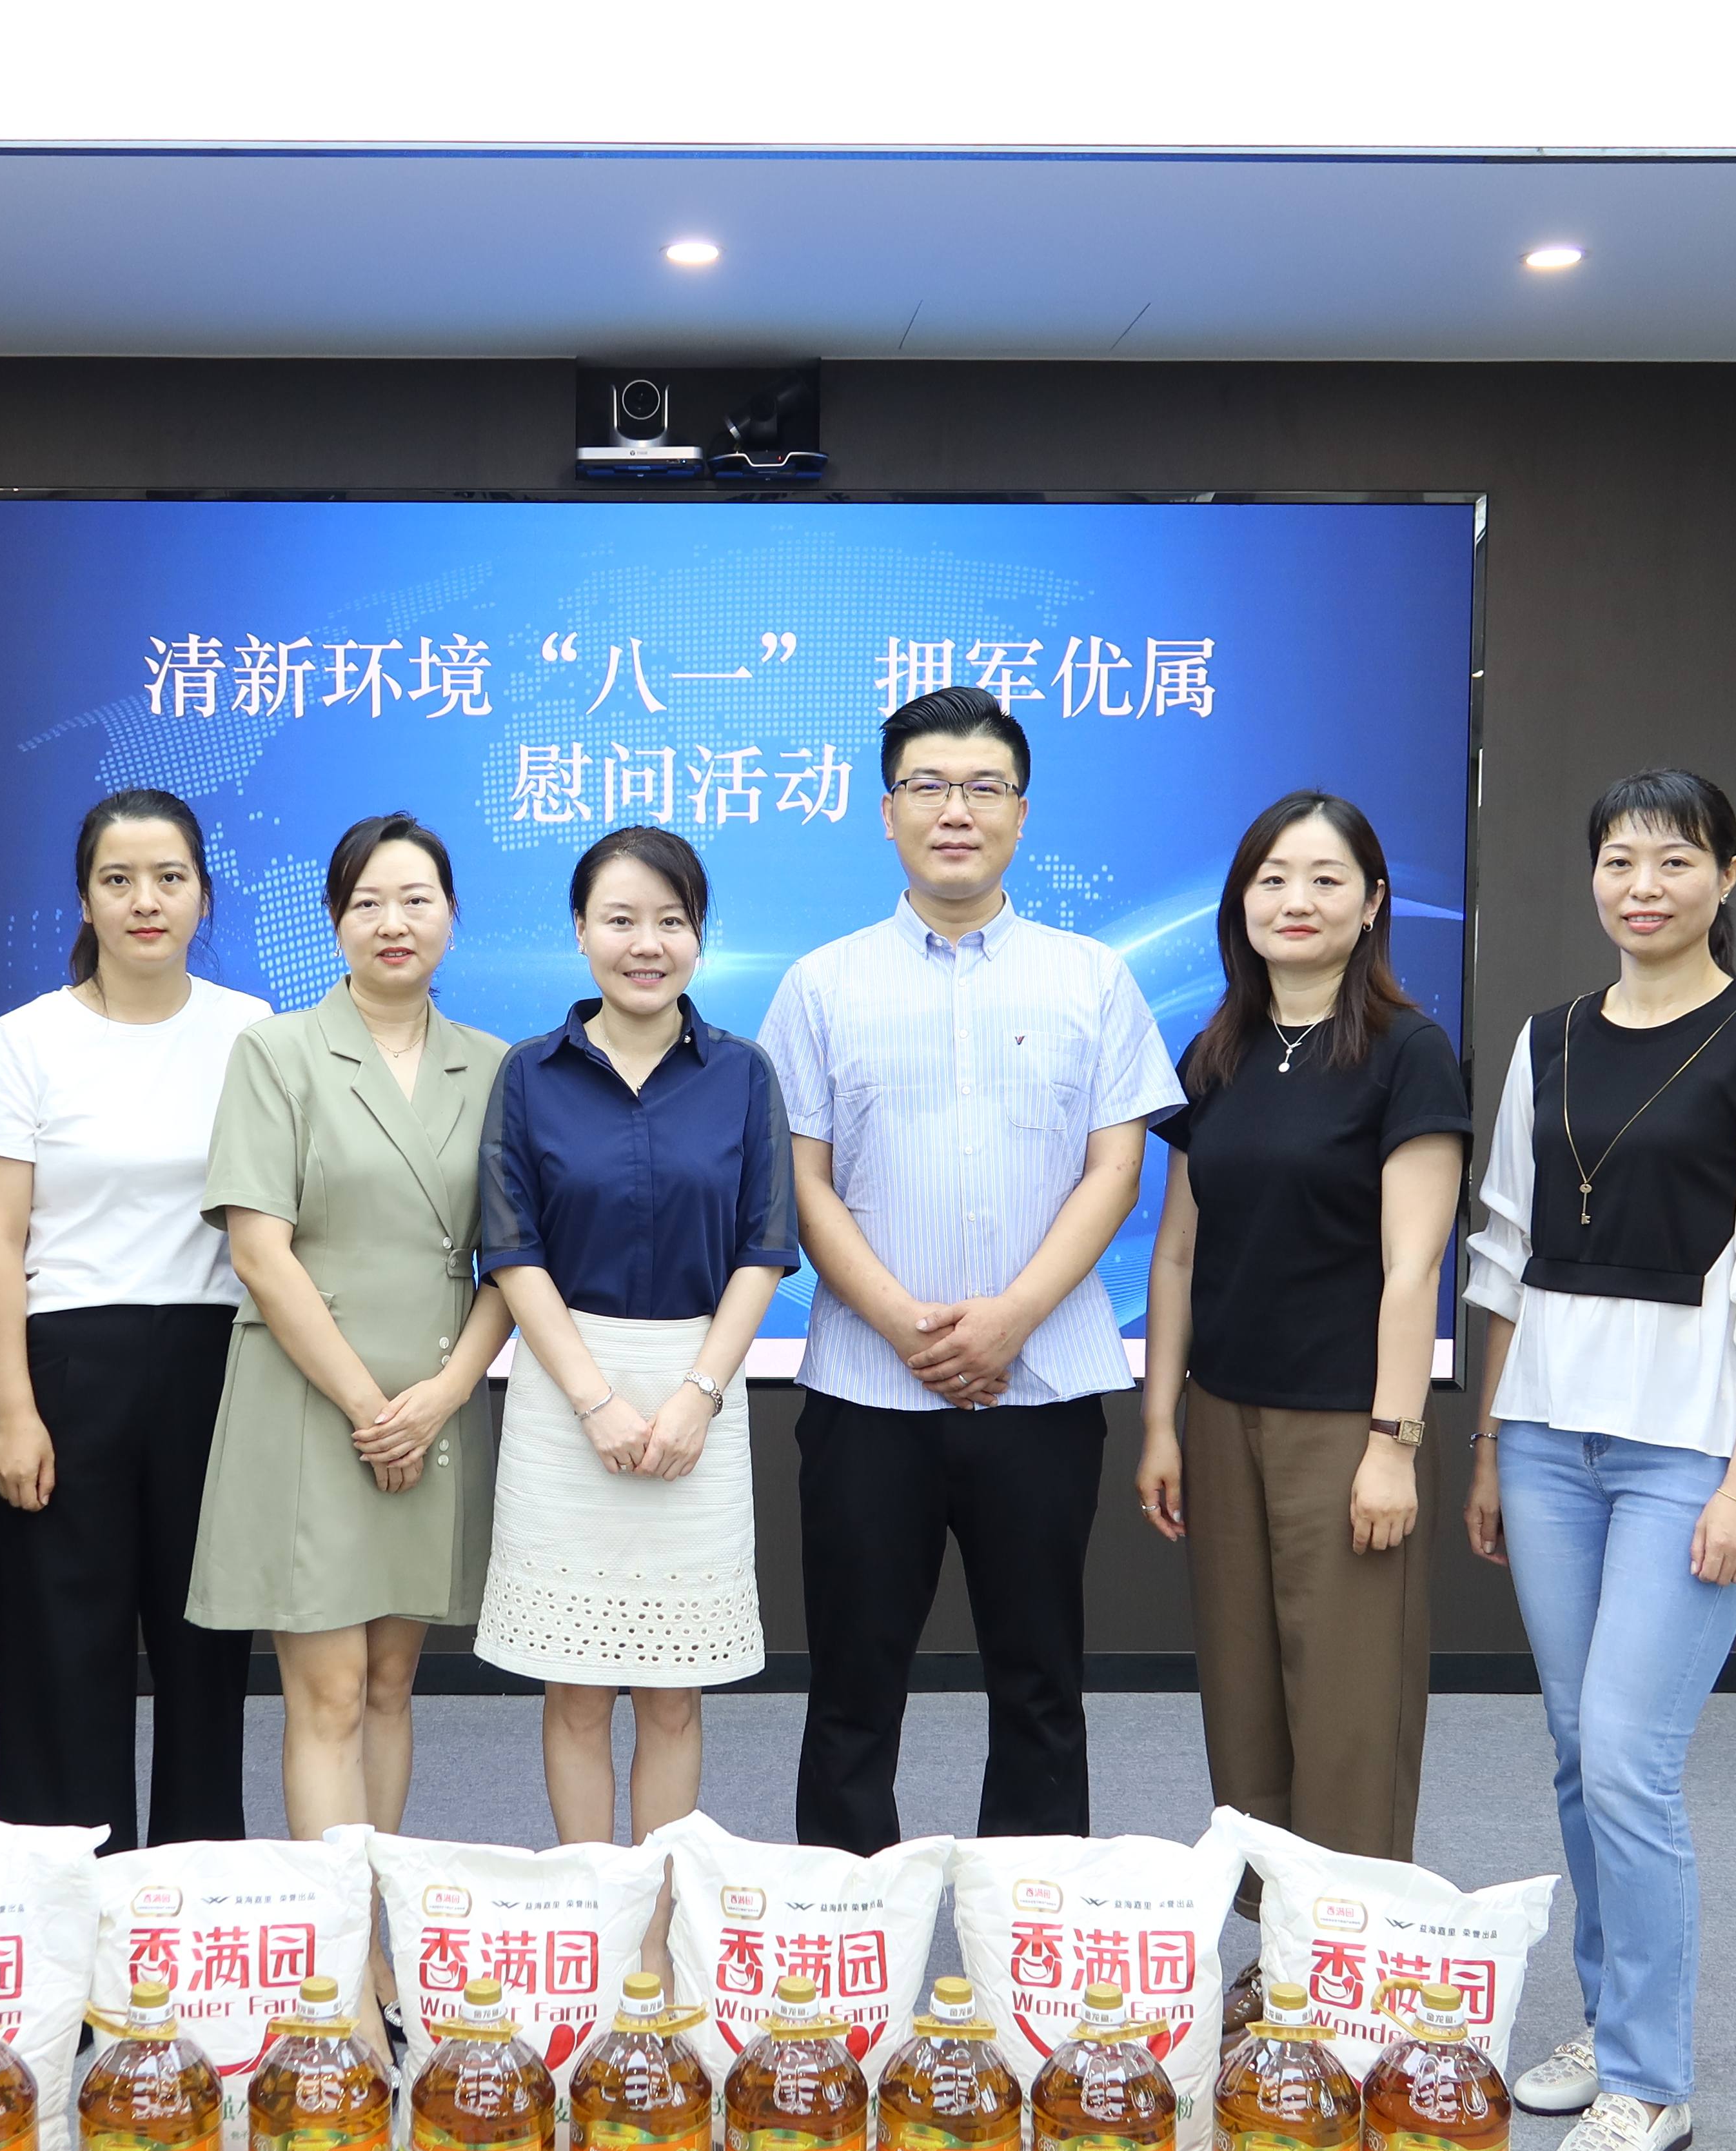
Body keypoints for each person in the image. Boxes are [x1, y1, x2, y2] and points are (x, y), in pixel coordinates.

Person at [1461, 768, 1736, 2151]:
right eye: (1620, 859)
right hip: (1548, 1441)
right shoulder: (1550, 1038)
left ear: (1726, 878)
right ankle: (1608, 2019)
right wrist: (1491, 1440)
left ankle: (1650, 2080)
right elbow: (1508, 1253)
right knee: (1581, 1750)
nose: (1644, 885)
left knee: (1630, 1756)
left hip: (1689, 1446)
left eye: (1675, 860)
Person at [756, 685, 1185, 1853]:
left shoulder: (1092, 978)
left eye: (984, 787)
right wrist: (906, 1323)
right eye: (930, 787)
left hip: (1040, 1388)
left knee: (1041, 1683)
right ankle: (845, 1951)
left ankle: (1030, 1947)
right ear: (886, 811)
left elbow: (1114, 1172)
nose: (958, 810)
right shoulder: (821, 983)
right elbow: (802, 1181)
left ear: (1022, 813)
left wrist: (1011, 1320)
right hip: (865, 1390)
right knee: (852, 1687)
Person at [1137, 792, 1467, 1887]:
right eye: (1273, 877)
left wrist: (1394, 1442)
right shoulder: (1216, 1051)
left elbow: (1414, 1267)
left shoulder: (1410, 1053)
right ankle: (1278, 1947)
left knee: (1348, 1705)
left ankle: (1348, 1949)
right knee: (1244, 1700)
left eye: (1327, 879)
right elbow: (1177, 1254)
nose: (1297, 899)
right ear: (1241, 900)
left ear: (1372, 904)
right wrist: (1161, 1423)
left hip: (1346, 1424)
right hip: (1223, 1415)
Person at [475, 827, 796, 1927]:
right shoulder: (529, 1075)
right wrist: (596, 1400)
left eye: (670, 921)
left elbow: (764, 1247)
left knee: (671, 1697)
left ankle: (655, 1942)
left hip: (701, 1388)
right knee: (573, 1693)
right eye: (620, 920)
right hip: (566, 1393)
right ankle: (591, 1930)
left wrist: (698, 1395)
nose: (645, 944)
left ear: (700, 938)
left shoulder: (742, 1074)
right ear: (581, 932)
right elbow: (511, 1249)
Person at [190, 813, 515, 1881]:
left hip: (435, 1402)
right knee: (326, 1693)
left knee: (388, 1686)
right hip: (311, 1404)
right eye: (368, 902)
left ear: (452, 918)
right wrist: (375, 1412)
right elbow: (259, 1253)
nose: (393, 922)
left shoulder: (496, 1067)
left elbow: (516, 1262)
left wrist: (442, 1395)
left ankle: (381, 1933)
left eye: (416, 900)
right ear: (334, 920)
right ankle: (340, 1954)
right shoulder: (277, 1051)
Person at [0, 788, 270, 1850]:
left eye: (169, 878)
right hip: (67, 1370)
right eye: (119, 880)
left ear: (203, 897)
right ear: (85, 900)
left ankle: (191, 1903)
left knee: (206, 1654)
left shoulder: (250, 1031)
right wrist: (12, 1411)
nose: (147, 901)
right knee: (62, 1653)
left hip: (213, 1366)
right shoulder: (27, 1039)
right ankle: (68, 1901)